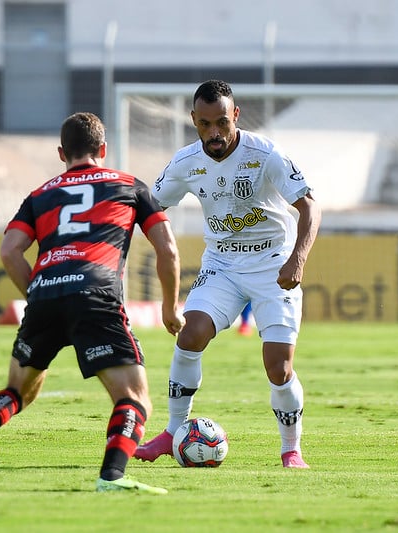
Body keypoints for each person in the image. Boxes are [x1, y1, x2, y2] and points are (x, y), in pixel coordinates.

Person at [0, 112, 185, 493]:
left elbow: (12, 251)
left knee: (16, 392)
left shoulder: (40, 194)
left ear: (61, 152)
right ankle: (111, 476)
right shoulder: (129, 186)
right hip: (96, 293)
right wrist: (169, 306)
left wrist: (39, 292)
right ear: (103, 149)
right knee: (133, 398)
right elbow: (168, 249)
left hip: (46, 292)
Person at [134, 80, 321, 469]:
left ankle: (291, 449)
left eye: (222, 122)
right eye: (205, 124)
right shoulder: (186, 162)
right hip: (222, 265)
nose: (214, 133)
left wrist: (297, 259)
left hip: (274, 264)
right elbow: (148, 206)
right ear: (193, 121)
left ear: (235, 115)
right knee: (191, 334)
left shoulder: (265, 154)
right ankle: (173, 432)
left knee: (279, 365)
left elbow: (309, 207)